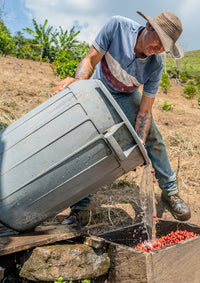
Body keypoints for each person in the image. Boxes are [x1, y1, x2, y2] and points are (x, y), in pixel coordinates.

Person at [54, 11, 191, 224]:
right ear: (148, 26)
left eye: (166, 46)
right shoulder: (117, 27)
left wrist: (139, 143)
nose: (159, 48)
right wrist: (79, 85)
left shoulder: (156, 65)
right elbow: (90, 60)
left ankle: (170, 191)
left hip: (127, 96)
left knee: (153, 136)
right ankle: (80, 206)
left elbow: (145, 111)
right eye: (159, 40)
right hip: (98, 89)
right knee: (92, 142)